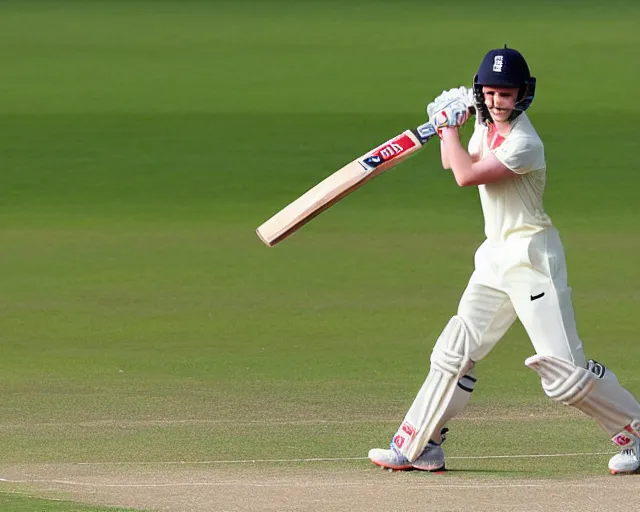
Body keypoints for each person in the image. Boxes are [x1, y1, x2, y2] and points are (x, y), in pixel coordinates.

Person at [367, 46, 640, 475]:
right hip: (495, 255)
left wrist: (446, 129)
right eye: (490, 93)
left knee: (565, 377)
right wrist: (452, 125)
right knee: (454, 352)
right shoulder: (483, 125)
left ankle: (636, 431)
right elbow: (453, 160)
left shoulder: (525, 143)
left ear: (523, 95)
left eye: (506, 94)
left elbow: (465, 175)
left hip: (533, 258)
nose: (497, 102)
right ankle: (420, 443)